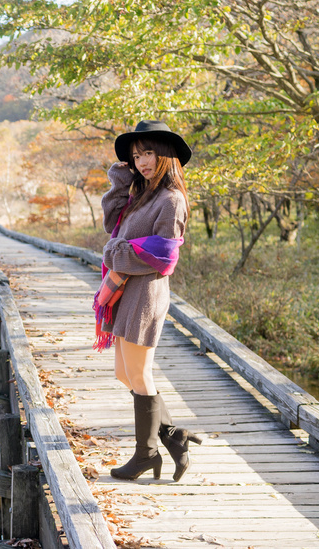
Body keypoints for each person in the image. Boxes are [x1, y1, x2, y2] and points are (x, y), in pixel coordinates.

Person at [96, 120, 202, 482]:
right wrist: (120, 180)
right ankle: (173, 436)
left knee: (139, 374)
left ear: (166, 155)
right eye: (136, 155)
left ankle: (146, 455)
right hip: (127, 291)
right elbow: (112, 223)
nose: (142, 161)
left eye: (149, 153)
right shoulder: (142, 194)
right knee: (124, 373)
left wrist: (115, 254)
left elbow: (163, 255)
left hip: (146, 293)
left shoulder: (171, 200)